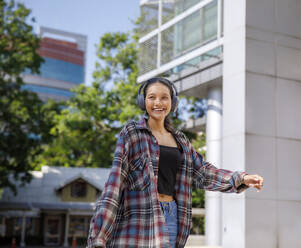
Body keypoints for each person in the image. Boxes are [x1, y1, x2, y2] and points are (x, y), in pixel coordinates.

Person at [87, 77, 264, 248]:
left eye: (164, 97)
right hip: (138, 221)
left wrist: (241, 178)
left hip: (171, 217)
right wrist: (98, 237)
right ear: (143, 102)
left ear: (173, 102)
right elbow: (114, 185)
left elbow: (203, 172)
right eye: (152, 97)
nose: (158, 103)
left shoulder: (181, 141)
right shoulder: (132, 133)